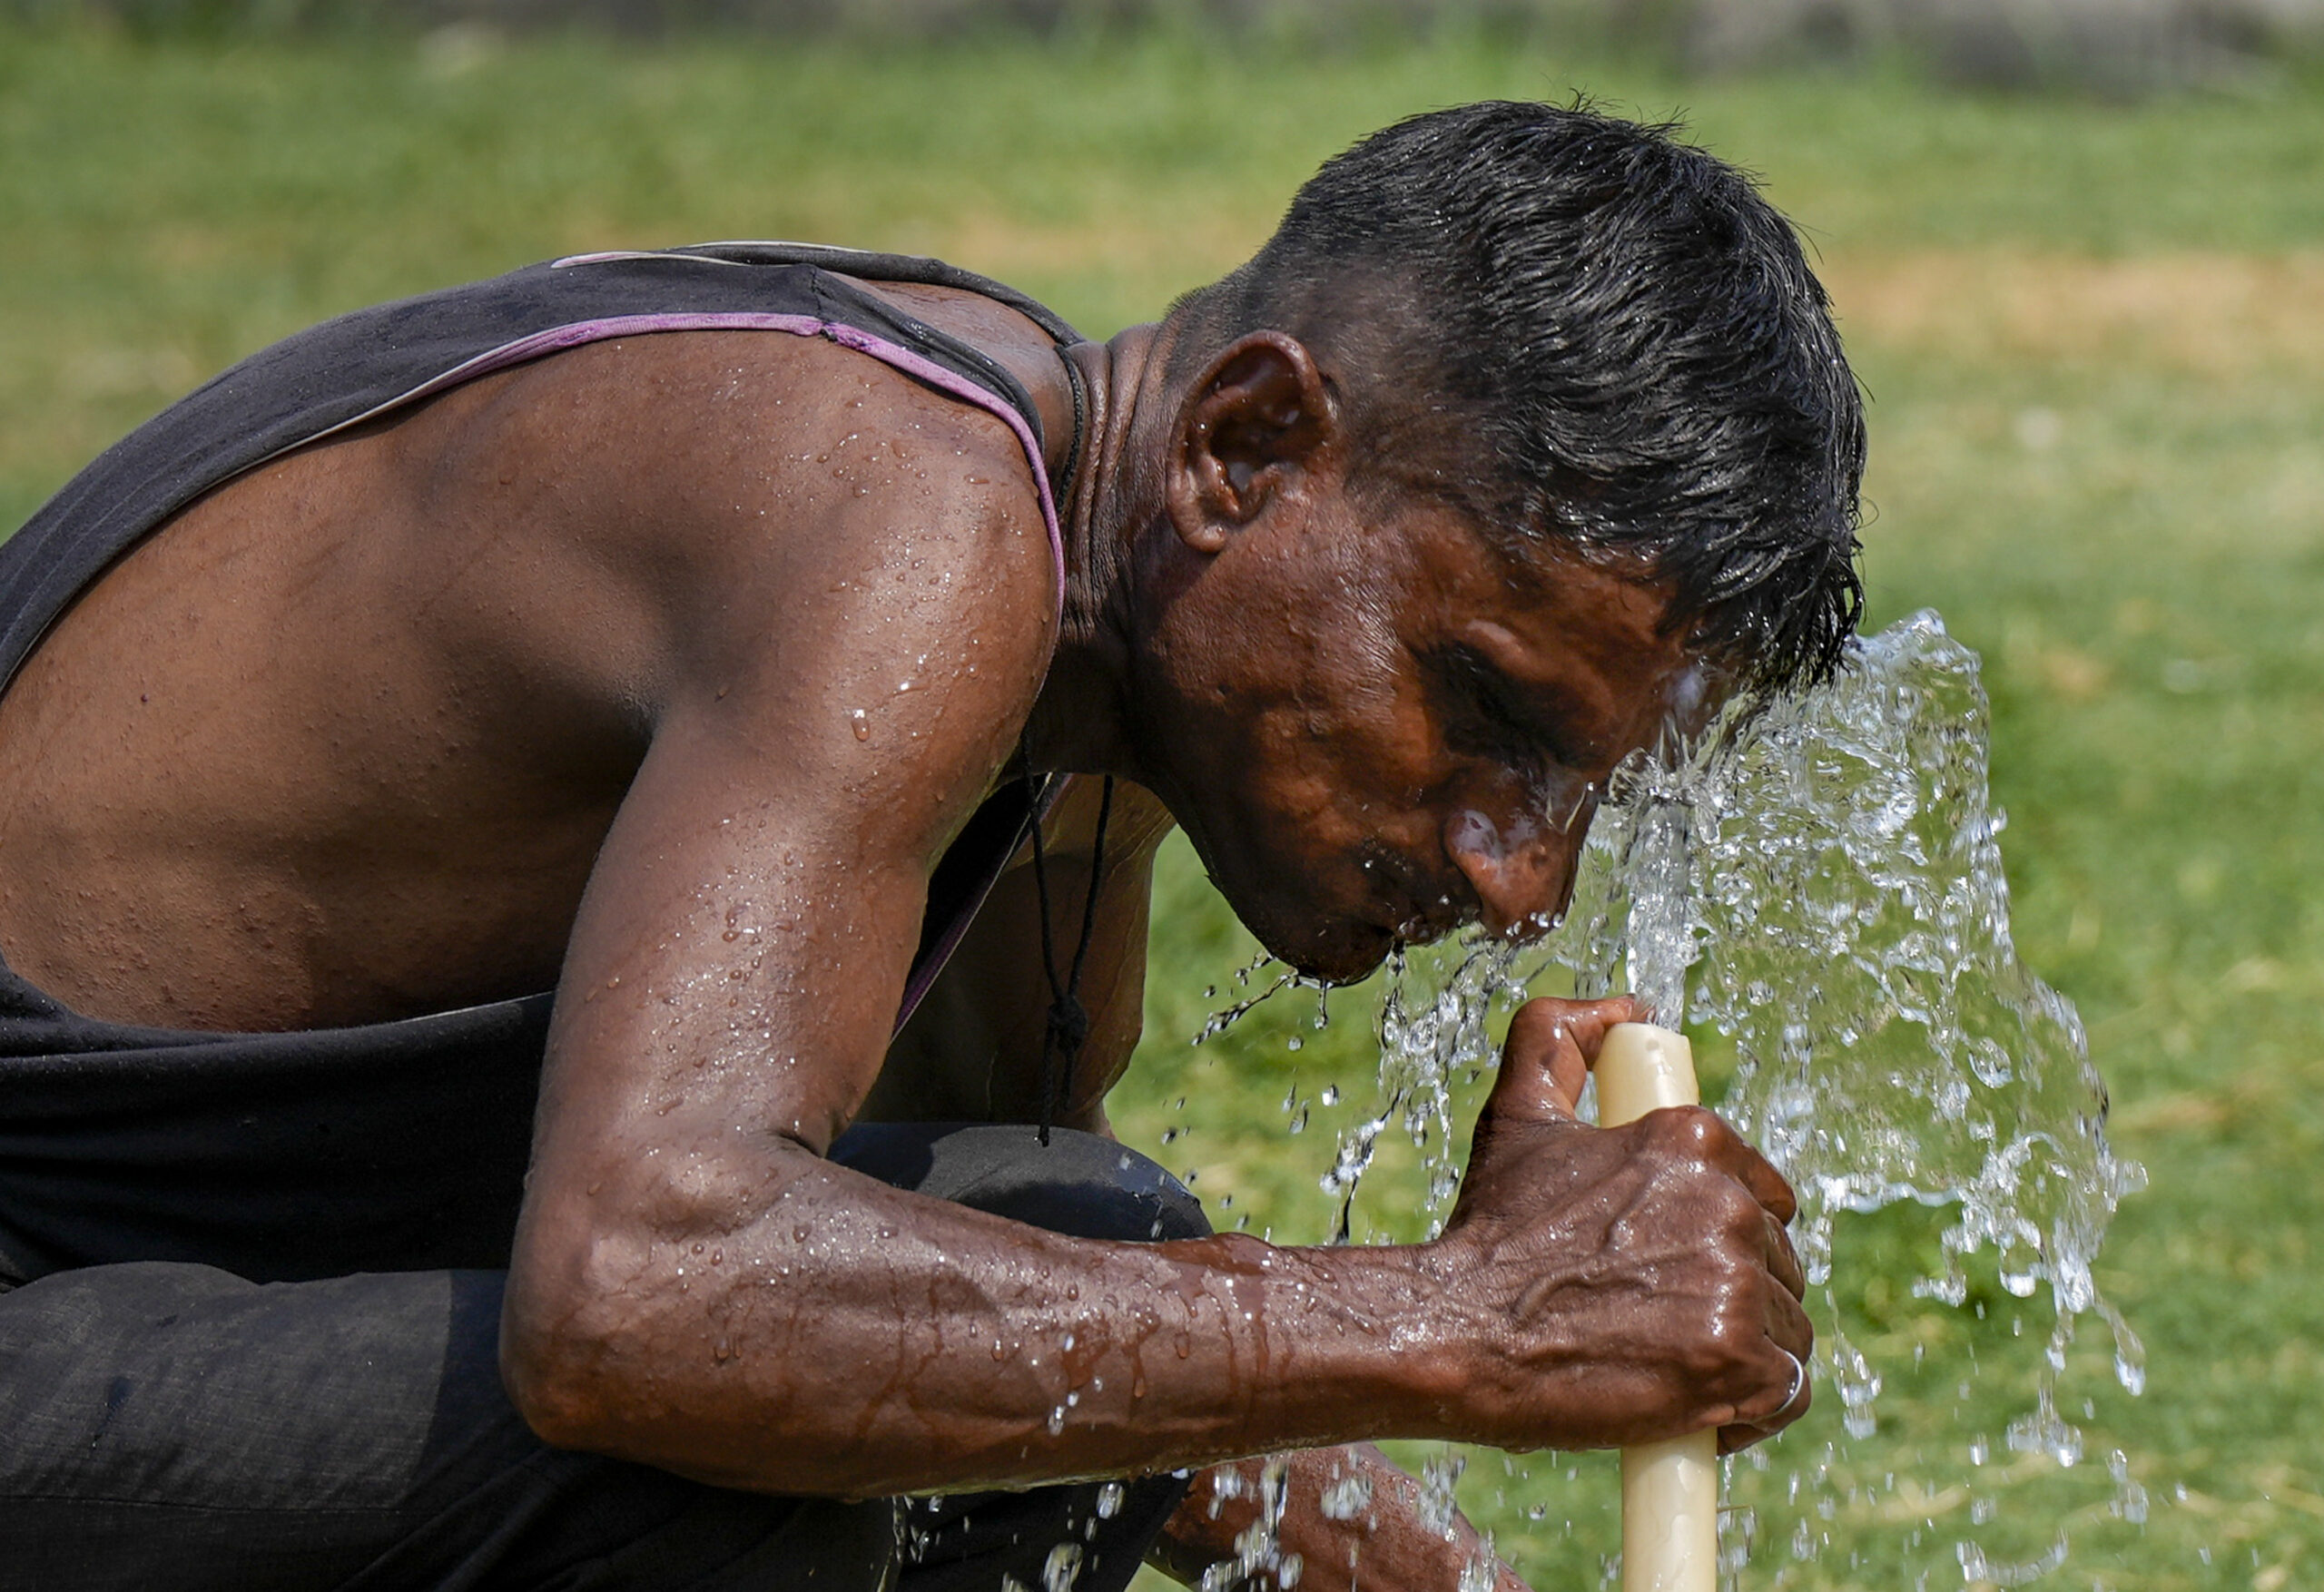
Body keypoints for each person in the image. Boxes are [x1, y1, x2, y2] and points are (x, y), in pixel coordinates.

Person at [0, 101, 1861, 1590]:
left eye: (1576, 793)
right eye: (1487, 713)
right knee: (732, 1474)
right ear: (1245, 444)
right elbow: (647, 1298)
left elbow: (1012, 1308)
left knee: (1071, 1244)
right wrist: (1468, 1323)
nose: (1513, 872)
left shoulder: (1103, 657)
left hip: (170, 1299)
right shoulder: (912, 513)